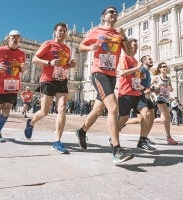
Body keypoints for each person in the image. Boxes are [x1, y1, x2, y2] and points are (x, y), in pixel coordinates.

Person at [76, 6, 134, 163]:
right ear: (104, 16)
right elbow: (81, 46)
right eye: (111, 12)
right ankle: (116, 150)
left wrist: (124, 38)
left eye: (115, 12)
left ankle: (82, 131)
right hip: (99, 73)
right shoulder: (97, 31)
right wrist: (90, 47)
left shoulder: (118, 34)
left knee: (97, 110)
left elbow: (130, 53)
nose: (114, 13)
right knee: (113, 108)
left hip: (111, 75)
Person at [24, 23, 75, 154]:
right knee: (44, 111)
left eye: (64, 31)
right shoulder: (48, 44)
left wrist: (69, 65)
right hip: (48, 80)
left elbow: (63, 66)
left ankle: (57, 141)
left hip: (62, 80)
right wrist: (48, 62)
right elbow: (35, 59)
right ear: (55, 32)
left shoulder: (67, 49)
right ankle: (31, 123)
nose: (62, 33)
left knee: (62, 108)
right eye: (60, 31)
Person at [111, 39, 155, 153]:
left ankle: (142, 140)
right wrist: (136, 69)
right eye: (133, 46)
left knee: (147, 113)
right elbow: (122, 73)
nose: (135, 48)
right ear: (127, 47)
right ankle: (113, 137)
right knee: (124, 118)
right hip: (125, 93)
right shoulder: (124, 57)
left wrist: (142, 78)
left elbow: (135, 78)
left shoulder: (136, 61)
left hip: (137, 93)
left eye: (136, 46)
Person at [151, 62, 178, 145]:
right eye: (163, 67)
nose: (165, 68)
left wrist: (170, 88)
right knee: (168, 117)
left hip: (166, 99)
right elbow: (149, 86)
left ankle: (148, 121)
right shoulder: (156, 77)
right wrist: (156, 88)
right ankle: (169, 137)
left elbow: (171, 88)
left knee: (164, 119)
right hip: (159, 98)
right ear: (159, 69)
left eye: (166, 66)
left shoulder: (168, 78)